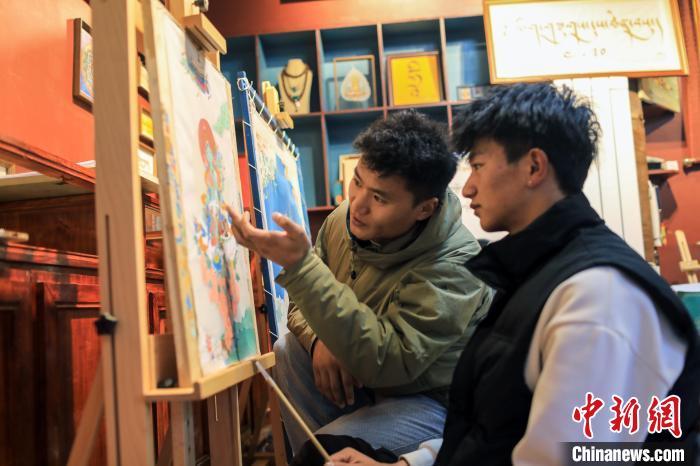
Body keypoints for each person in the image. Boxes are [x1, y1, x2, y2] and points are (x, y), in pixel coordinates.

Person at [320, 83, 700, 465]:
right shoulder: (535, 272)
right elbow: (501, 426)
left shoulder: (597, 296)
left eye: (479, 167)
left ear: (534, 167)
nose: (468, 189)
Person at [226, 110, 492, 456]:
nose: (358, 204)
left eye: (379, 198)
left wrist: (301, 268)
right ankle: (322, 454)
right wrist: (320, 340)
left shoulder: (457, 264)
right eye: (357, 181)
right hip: (364, 382)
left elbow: (388, 361)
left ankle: (321, 453)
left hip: (430, 403)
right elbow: (300, 305)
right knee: (289, 349)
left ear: (424, 209)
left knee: (322, 448)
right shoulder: (344, 219)